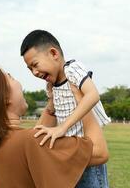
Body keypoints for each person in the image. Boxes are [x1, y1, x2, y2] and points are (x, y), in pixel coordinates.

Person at [0, 65, 109, 188]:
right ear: (4, 97)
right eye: (10, 77)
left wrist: (52, 103)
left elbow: (32, 141)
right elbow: (100, 153)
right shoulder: (30, 141)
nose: (18, 82)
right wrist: (82, 101)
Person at [21, 29, 111, 187]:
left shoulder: (71, 69)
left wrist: (62, 127)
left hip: (87, 150)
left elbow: (93, 94)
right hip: (72, 152)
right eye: (30, 69)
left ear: (54, 53)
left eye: (35, 65)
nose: (34, 72)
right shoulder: (52, 84)